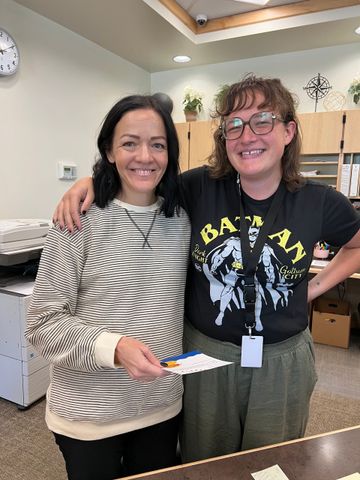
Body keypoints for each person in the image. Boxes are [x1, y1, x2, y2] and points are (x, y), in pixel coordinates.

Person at [53, 75, 360, 464]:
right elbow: (141, 177)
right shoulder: (197, 188)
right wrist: (90, 182)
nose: (247, 135)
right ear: (224, 138)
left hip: (283, 360)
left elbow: (356, 246)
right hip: (206, 357)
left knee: (272, 464)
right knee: (204, 462)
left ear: (288, 131)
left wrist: (314, 289)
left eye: (262, 120)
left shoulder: (321, 202)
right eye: (234, 125)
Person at [25, 94, 191, 480]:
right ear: (109, 151)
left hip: (162, 406)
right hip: (89, 416)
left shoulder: (182, 219)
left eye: (158, 145)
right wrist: (113, 347)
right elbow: (42, 325)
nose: (145, 157)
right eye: (129, 143)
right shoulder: (78, 220)